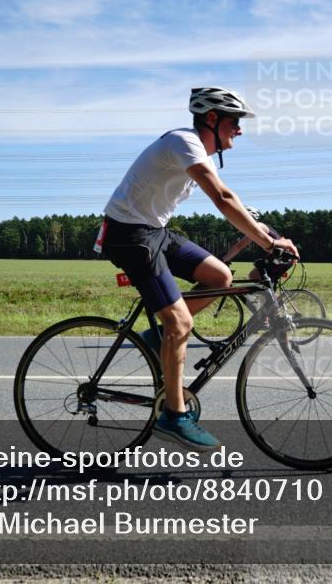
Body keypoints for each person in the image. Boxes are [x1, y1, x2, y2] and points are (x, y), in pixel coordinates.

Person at [99, 87, 299, 452]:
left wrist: (269, 234)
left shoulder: (198, 154)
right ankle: (174, 415)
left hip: (154, 231)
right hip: (129, 235)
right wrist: (268, 245)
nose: (239, 129)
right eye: (235, 121)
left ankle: (159, 336)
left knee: (220, 276)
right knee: (181, 324)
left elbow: (230, 199)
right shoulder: (184, 142)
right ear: (212, 118)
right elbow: (221, 198)